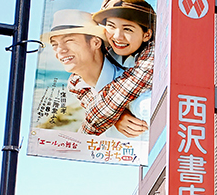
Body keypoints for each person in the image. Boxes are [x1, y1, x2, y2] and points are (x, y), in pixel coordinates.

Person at [41, 8, 149, 138]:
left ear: (96, 42)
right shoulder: (77, 84)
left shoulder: (138, 91)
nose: (60, 50)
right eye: (54, 44)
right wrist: (117, 116)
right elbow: (98, 108)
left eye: (69, 41)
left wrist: (114, 115)